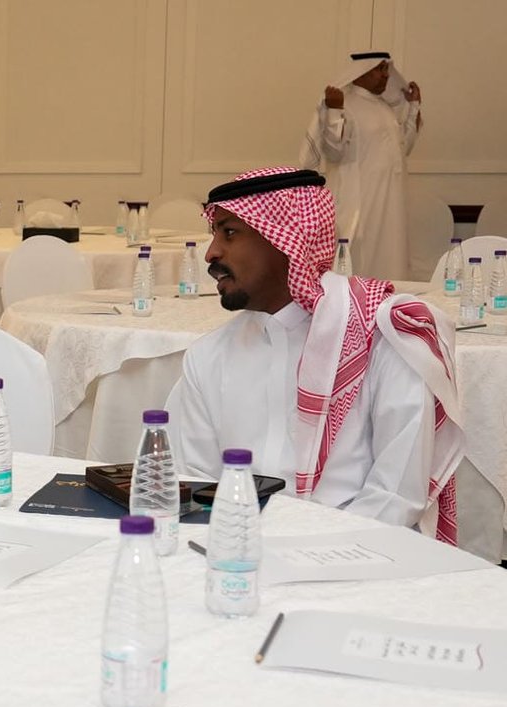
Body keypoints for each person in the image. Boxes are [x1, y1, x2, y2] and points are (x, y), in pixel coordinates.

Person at [167, 167, 462, 543]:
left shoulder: (382, 336)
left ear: (286, 238)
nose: (211, 253)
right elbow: (196, 482)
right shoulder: (208, 355)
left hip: (359, 553)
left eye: (229, 232)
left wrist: (307, 553)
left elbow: (397, 496)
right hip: (235, 553)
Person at [299, 51, 422, 281]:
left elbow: (403, 147)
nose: (385, 75)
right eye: (379, 69)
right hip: (362, 203)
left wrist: (413, 106)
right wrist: (334, 110)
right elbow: (334, 152)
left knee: (392, 257)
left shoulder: (384, 107)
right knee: (360, 263)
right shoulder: (347, 104)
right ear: (362, 71)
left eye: (386, 69)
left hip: (392, 203)